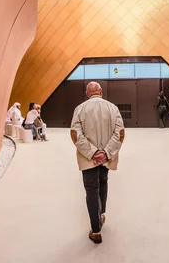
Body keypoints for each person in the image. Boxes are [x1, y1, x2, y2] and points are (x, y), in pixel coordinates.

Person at [70, 82, 125, 244]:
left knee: (91, 190)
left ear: (87, 93)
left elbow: (75, 134)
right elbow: (120, 133)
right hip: (106, 158)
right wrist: (106, 153)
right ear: (100, 92)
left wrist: (92, 152)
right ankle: (102, 215)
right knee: (103, 182)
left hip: (89, 159)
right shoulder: (113, 108)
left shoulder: (79, 109)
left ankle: (96, 231)